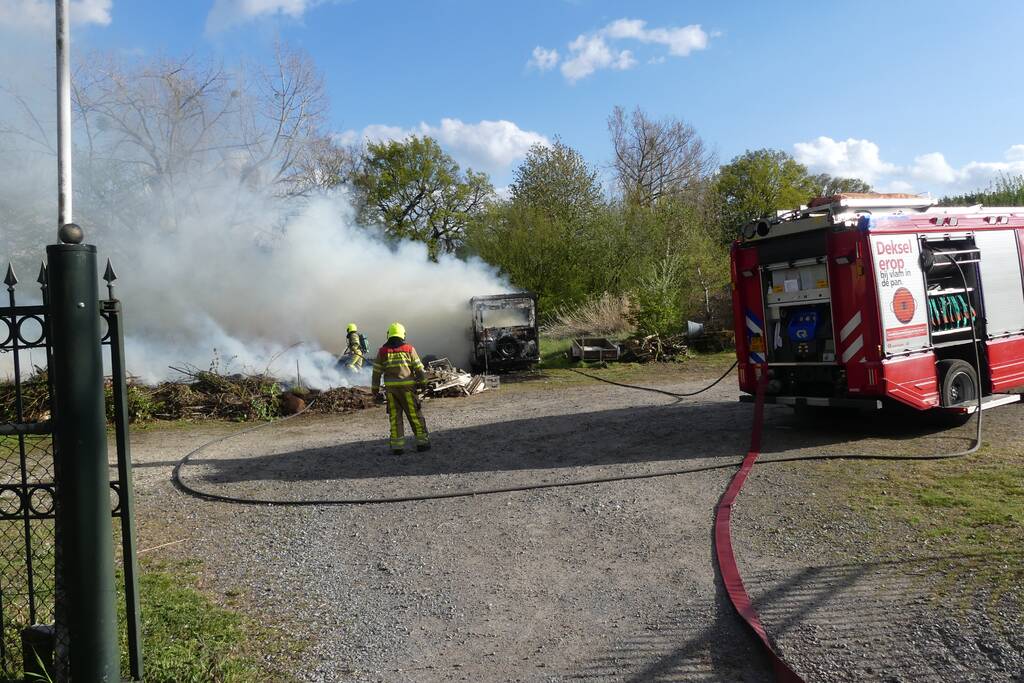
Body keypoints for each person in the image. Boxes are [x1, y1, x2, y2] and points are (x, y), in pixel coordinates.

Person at [371, 322, 430, 454]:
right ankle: (423, 443)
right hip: (407, 389)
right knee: (414, 415)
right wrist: (423, 383)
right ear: (403, 334)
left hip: (391, 392)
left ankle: (397, 447)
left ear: (389, 335)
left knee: (395, 417)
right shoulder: (409, 349)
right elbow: (419, 368)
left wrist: (374, 390)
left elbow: (376, 373)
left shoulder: (382, 351)